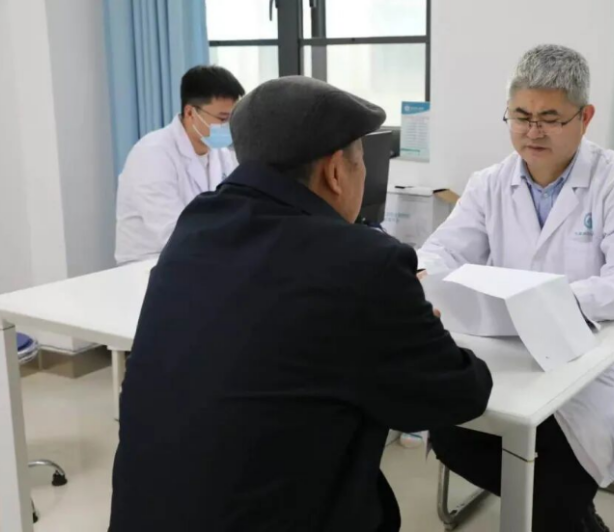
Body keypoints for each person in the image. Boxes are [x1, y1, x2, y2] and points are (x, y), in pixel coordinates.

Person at [108, 76, 493, 532]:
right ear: (335, 172)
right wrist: (420, 329)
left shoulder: (194, 231)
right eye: (360, 162)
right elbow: (459, 394)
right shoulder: (363, 262)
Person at [419, 44, 614, 531]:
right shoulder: (489, 183)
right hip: (504, 353)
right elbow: (442, 250)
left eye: (550, 118)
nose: (532, 132)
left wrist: (545, 303)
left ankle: (567, 514)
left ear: (584, 117)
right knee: (450, 432)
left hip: (588, 357)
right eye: (521, 116)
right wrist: (427, 277)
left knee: (556, 487)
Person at [114, 65, 245, 264]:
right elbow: (171, 231)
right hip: (149, 264)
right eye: (222, 118)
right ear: (190, 112)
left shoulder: (221, 155)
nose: (229, 127)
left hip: (199, 258)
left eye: (233, 118)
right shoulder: (152, 154)